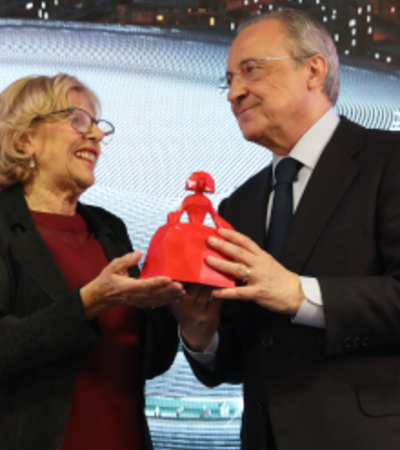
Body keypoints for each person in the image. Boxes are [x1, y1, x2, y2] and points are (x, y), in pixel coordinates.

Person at [172, 9, 400, 450]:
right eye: (229, 80)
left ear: (313, 70)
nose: (234, 93)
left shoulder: (389, 160)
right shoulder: (238, 205)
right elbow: (237, 359)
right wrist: (201, 333)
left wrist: (300, 294)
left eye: (251, 70)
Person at [0, 74, 184, 450]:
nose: (97, 135)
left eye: (97, 125)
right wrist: (88, 303)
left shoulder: (109, 229)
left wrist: (179, 308)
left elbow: (148, 362)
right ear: (25, 140)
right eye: (77, 120)